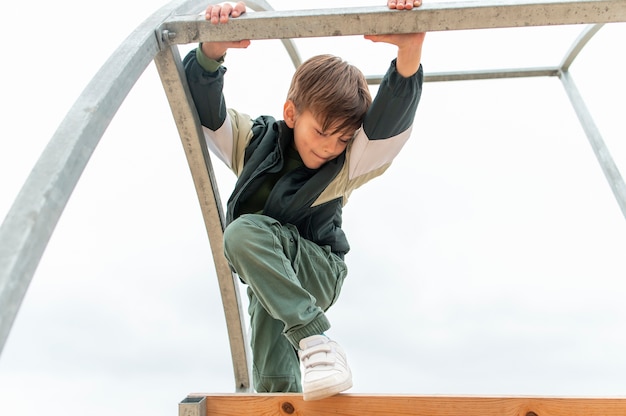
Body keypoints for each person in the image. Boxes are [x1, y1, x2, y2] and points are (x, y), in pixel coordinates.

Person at [184, 0, 425, 401]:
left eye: (343, 138)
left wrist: (409, 53)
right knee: (268, 336)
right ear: (292, 113)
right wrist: (211, 51)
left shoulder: (346, 164)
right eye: (323, 132)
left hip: (319, 268)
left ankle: (317, 342)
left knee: (242, 234)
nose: (331, 147)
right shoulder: (254, 142)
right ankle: (282, 398)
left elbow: (387, 126)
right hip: (273, 276)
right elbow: (208, 116)